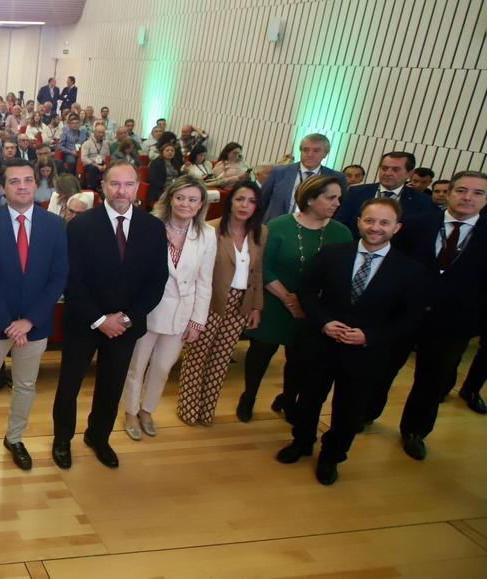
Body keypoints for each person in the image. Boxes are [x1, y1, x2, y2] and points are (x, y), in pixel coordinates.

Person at [276, 197, 426, 485]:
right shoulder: (332, 253)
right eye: (369, 220)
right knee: (308, 399)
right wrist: (323, 322)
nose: (375, 227)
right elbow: (307, 291)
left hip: (366, 353)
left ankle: (332, 455)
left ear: (397, 228)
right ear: (358, 222)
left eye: (384, 222)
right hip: (322, 343)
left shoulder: (409, 270)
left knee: (349, 409)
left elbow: (409, 319)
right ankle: (303, 442)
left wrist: (370, 336)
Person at [53, 161, 168, 469]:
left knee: (111, 384)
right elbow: (71, 278)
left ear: (137, 188)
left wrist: (127, 319)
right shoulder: (80, 225)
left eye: (128, 184)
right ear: (103, 186)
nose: (121, 190)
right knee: (69, 385)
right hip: (84, 321)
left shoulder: (153, 227)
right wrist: (100, 320)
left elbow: (157, 280)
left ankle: (98, 437)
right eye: (114, 184)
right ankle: (62, 439)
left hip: (125, 327)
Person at [366, 170, 487, 460]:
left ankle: (415, 431)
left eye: (478, 193)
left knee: (432, 382)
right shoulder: (416, 225)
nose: (468, 197)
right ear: (448, 193)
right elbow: (390, 267)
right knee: (381, 371)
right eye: (461, 190)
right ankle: (365, 414)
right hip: (403, 315)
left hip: (453, 324)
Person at [0, 159, 68, 471]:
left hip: (34, 325)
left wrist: (29, 320)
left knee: (25, 385)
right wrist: (8, 323)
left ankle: (14, 437)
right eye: (14, 181)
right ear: (3, 186)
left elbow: (58, 276)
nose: (21, 186)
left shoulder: (54, 224)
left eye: (27, 180)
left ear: (36, 184)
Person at [239, 175, 351, 421]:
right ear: (310, 199)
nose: (337, 203)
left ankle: (289, 399)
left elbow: (342, 274)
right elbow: (262, 267)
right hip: (274, 302)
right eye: (330, 197)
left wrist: (310, 305)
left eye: (339, 198)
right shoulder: (279, 226)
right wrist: (289, 299)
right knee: (260, 353)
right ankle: (248, 397)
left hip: (314, 310)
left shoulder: (341, 233)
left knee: (299, 360)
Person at [121, 177, 216, 440]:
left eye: (193, 199)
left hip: (181, 314)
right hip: (148, 309)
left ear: (200, 205)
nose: (186, 204)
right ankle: (130, 411)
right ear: (170, 199)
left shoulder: (207, 234)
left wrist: (198, 321)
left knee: (163, 367)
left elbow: (204, 281)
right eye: (180, 197)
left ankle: (147, 410)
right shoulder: (151, 226)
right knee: (136, 365)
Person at [177, 180, 266, 426]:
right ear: (230, 202)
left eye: (251, 201)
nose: (244, 205)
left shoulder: (261, 232)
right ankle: (188, 408)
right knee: (197, 356)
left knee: (221, 358)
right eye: (240, 199)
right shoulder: (210, 230)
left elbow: (257, 273)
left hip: (241, 304)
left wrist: (256, 306)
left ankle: (207, 411)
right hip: (211, 301)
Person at [334, 152, 432, 234]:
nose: (387, 173)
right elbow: (339, 224)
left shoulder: (422, 201)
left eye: (395, 169)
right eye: (384, 168)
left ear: (409, 174)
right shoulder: (355, 192)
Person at [260, 133, 346, 220]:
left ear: (325, 154)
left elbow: (338, 209)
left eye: (316, 151)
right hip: (276, 228)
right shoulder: (279, 172)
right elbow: (262, 200)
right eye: (306, 150)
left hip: (315, 230)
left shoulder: (335, 178)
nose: (310, 154)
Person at [146, 142, 180, 209]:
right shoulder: (156, 163)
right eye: (167, 150)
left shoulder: (175, 163)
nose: (170, 152)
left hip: (175, 189)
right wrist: (170, 188)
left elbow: (179, 177)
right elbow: (153, 181)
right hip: (160, 191)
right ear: (162, 152)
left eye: (172, 150)